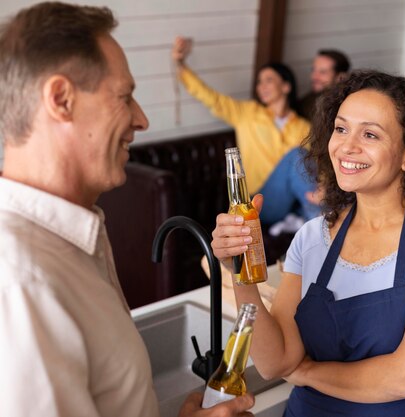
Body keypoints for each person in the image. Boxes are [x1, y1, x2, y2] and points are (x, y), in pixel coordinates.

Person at [0, 3, 253, 417]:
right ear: (61, 99)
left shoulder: (73, 238)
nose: (142, 119)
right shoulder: (19, 281)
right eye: (125, 96)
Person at [211, 70, 405, 416]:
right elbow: (275, 361)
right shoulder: (312, 238)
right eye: (341, 129)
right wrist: (240, 270)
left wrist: (307, 372)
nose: (347, 146)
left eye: (370, 134)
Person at [172, 37, 316, 226]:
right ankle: (321, 227)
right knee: (297, 156)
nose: (261, 86)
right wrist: (180, 64)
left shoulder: (304, 127)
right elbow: (211, 98)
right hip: (259, 203)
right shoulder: (247, 113)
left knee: (307, 164)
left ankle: (311, 222)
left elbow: (312, 169)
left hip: (294, 200)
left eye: (269, 80)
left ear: (286, 86)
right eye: (259, 82)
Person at [298, 49, 351, 121]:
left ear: (340, 77)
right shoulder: (303, 104)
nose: (314, 77)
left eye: (322, 72)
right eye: (313, 70)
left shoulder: (348, 107)